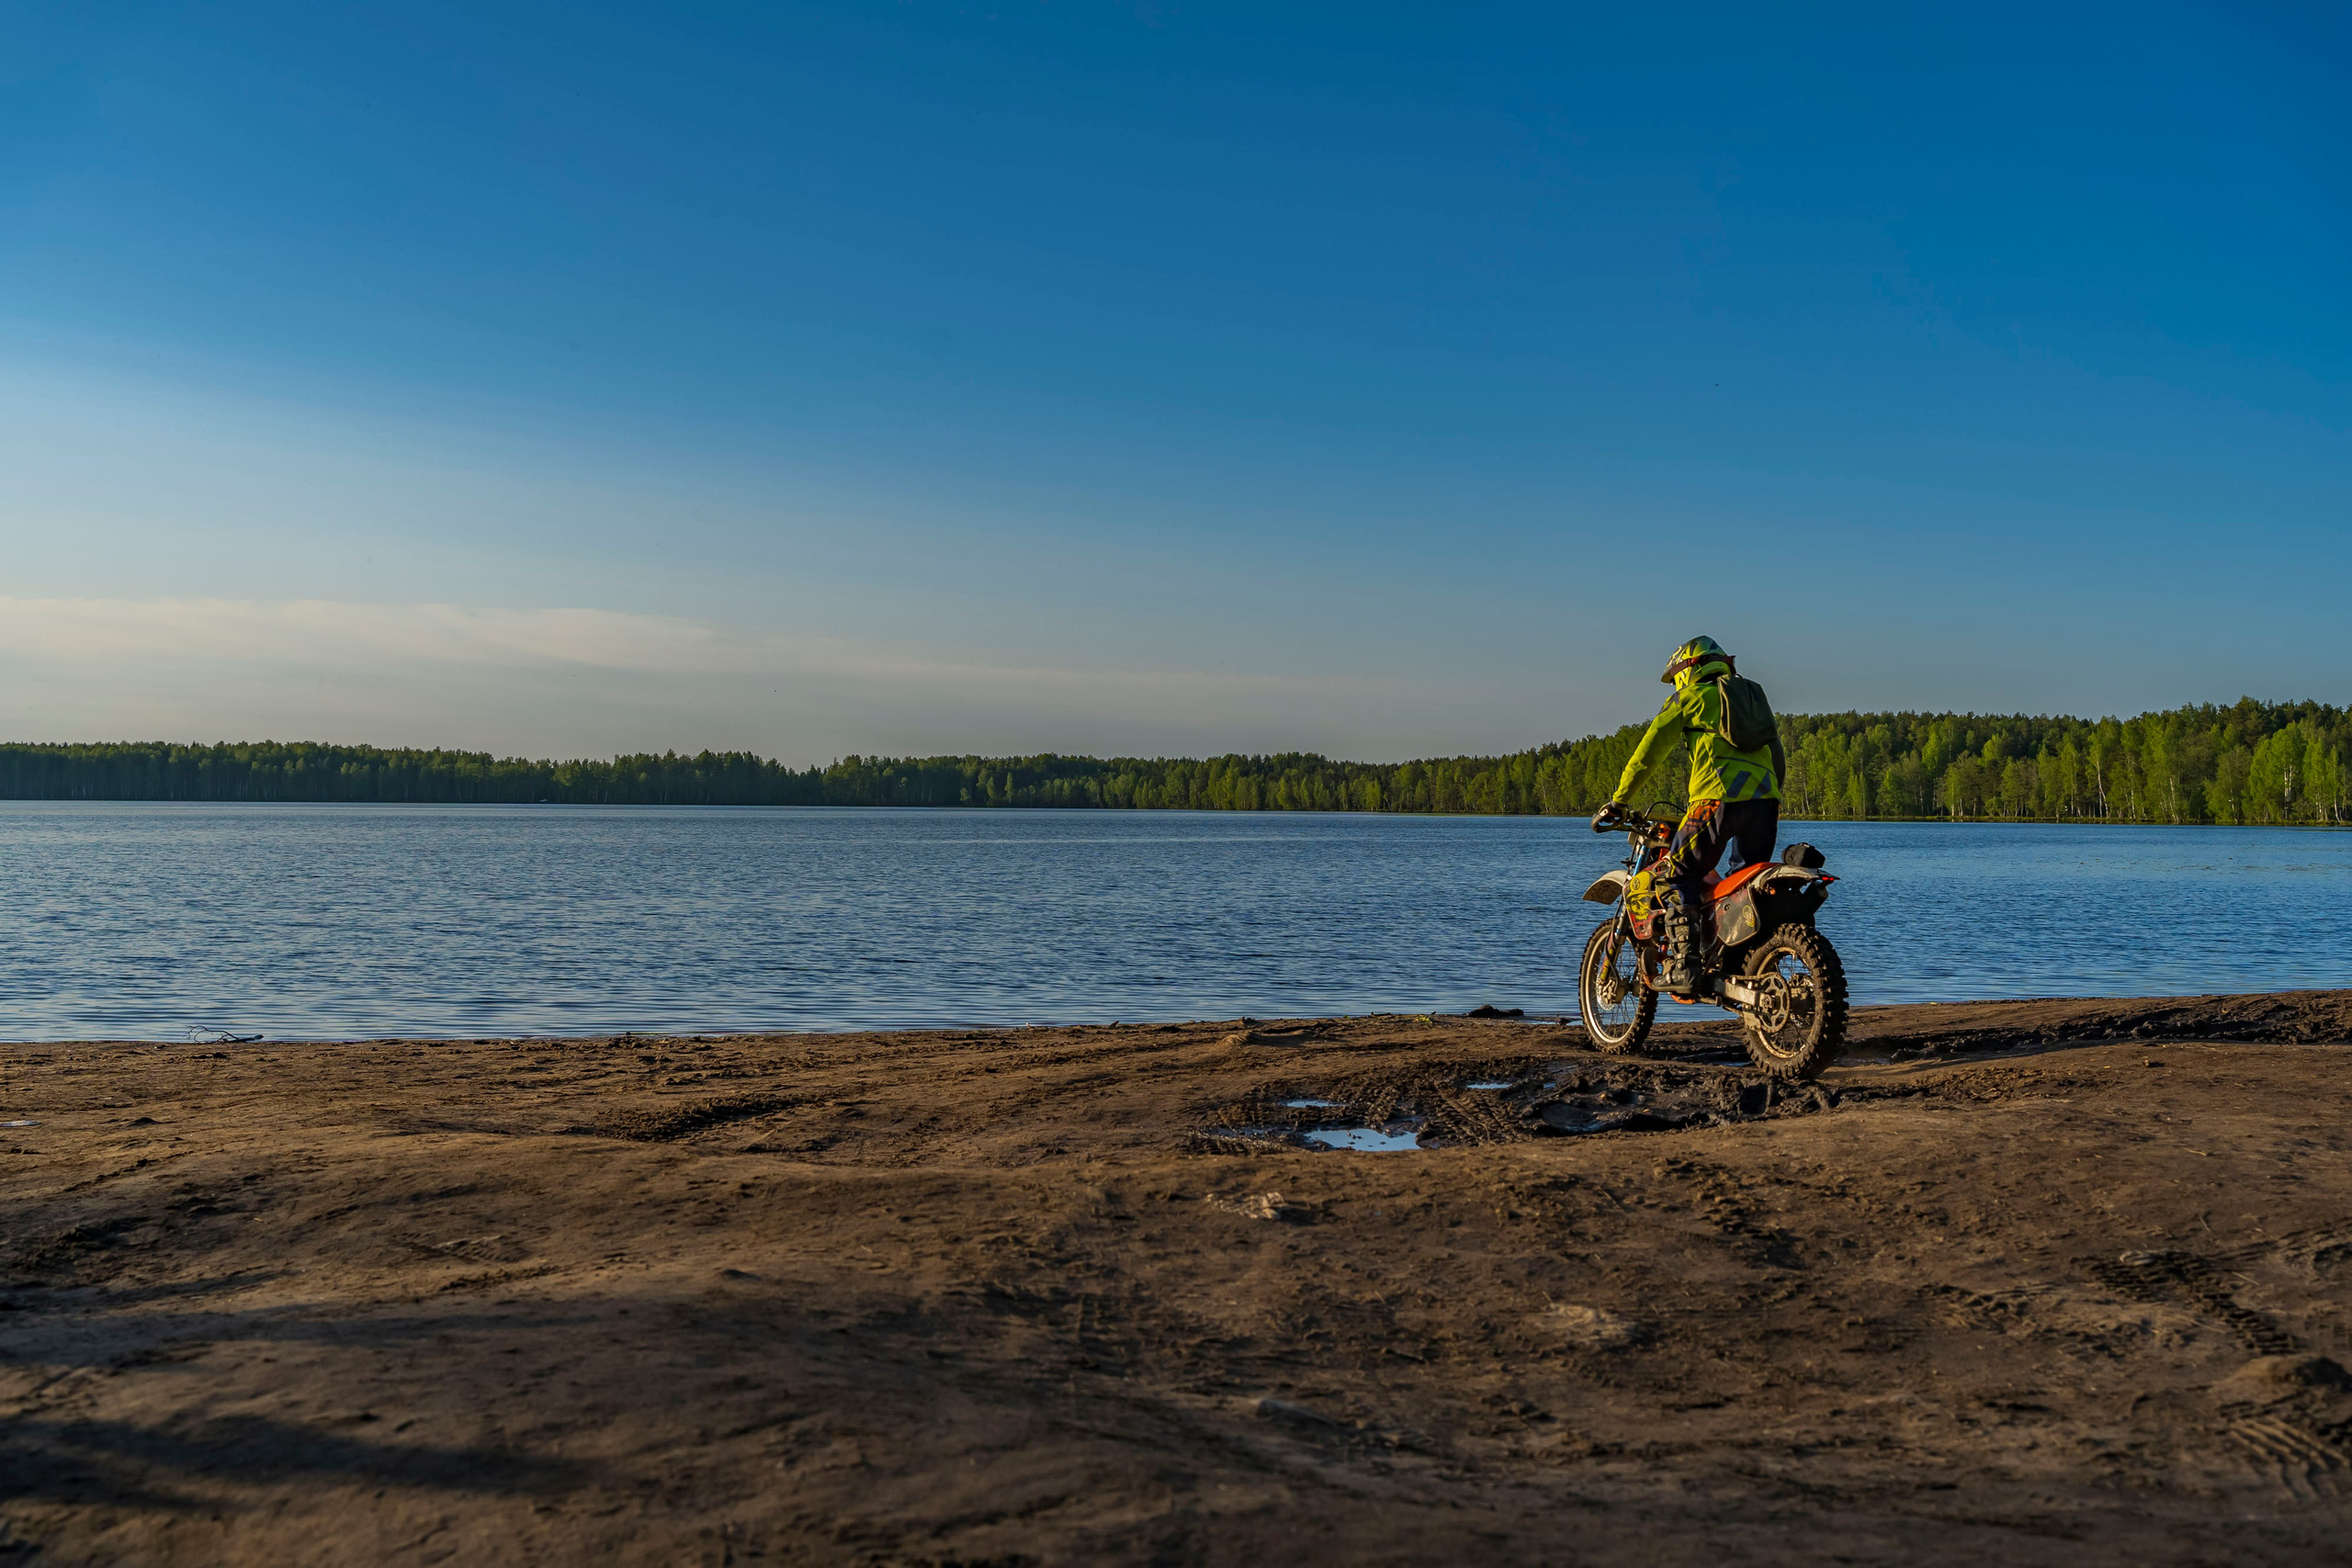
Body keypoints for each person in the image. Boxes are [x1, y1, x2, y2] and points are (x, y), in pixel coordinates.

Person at [1593, 636, 1786, 994]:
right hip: (1764, 804)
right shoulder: (1750, 698)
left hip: (1715, 800)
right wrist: (1771, 795)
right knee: (1739, 886)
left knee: (1677, 873)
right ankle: (1739, 964)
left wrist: (1619, 801)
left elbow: (1648, 753)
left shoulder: (1689, 697)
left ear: (1689, 668)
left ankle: (1685, 964)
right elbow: (1777, 752)